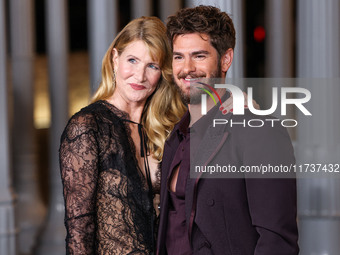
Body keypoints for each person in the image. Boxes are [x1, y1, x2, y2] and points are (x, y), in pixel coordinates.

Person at [157, 5, 299, 255]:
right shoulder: (175, 138)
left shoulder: (259, 131)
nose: (186, 68)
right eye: (179, 56)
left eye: (199, 56)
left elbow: (277, 242)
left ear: (226, 59)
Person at [59, 16, 187, 254]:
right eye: (132, 60)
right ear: (115, 59)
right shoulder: (88, 126)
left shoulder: (168, 127)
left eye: (152, 66)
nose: (139, 76)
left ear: (162, 73)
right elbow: (79, 230)